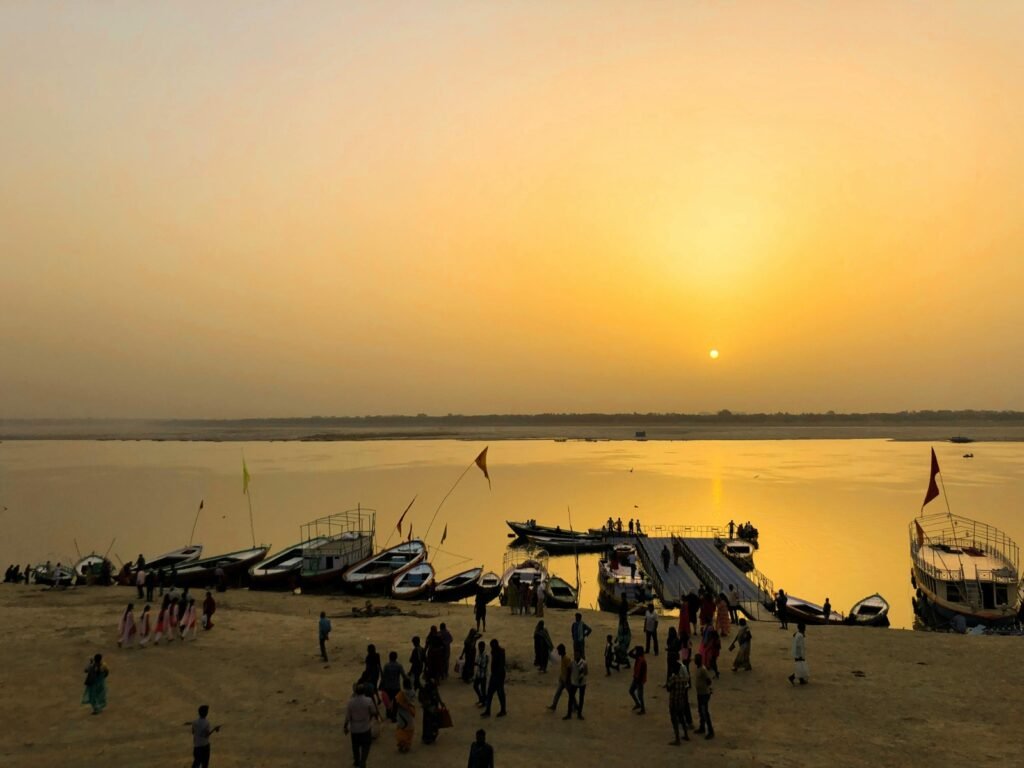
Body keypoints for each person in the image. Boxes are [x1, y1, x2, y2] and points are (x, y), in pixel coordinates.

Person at [344, 683, 379, 766]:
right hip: (365, 728)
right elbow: (374, 712)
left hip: (354, 729)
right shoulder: (368, 700)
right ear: (364, 691)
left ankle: (357, 761)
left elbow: (348, 717)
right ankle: (363, 761)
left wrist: (345, 726)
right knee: (366, 746)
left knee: (355, 746)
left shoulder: (351, 702)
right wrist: (373, 717)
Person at [666, 659, 691, 744]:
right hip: (681, 701)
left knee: (674, 720)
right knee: (682, 718)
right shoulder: (683, 679)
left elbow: (668, 688)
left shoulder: (673, 679)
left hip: (674, 701)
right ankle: (686, 735)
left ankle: (677, 739)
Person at [481, 638, 506, 717]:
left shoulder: (499, 652)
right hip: (496, 674)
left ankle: (501, 710)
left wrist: (496, 675)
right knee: (492, 693)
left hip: (498, 675)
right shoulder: (497, 651)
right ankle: (490, 710)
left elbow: (501, 666)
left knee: (499, 693)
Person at [381, 651, 408, 720]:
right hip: (396, 686)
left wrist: (382, 685)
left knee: (388, 701)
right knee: (396, 702)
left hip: (388, 686)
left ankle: (388, 713)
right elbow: (403, 675)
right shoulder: (399, 666)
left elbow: (383, 676)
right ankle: (394, 715)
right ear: (396, 658)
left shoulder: (386, 666)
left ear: (389, 658)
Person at [693, 653, 714, 739]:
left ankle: (710, 731)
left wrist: (706, 688)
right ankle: (702, 727)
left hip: (704, 693)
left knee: (704, 712)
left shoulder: (702, 669)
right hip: (700, 693)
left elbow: (709, 680)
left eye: (696, 659)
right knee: (701, 711)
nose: (695, 661)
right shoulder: (699, 669)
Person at [419, 676, 444, 743]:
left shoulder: (426, 687)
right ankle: (431, 737)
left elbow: (436, 694)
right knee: (432, 723)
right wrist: (441, 703)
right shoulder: (430, 687)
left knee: (428, 723)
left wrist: (441, 703)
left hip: (429, 708)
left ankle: (428, 737)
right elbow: (436, 694)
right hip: (431, 708)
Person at [394, 679, 416, 753]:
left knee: (401, 730)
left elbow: (396, 703)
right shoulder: (413, 692)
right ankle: (407, 746)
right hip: (410, 713)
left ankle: (401, 745)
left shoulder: (401, 693)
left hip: (402, 714)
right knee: (409, 730)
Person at [565, 649, 587, 720]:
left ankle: (576, 714)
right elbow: (586, 672)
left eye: (576, 655)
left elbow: (586, 672)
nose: (575, 656)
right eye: (575, 655)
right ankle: (572, 714)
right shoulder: (579, 663)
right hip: (576, 682)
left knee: (578, 699)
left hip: (579, 682)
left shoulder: (581, 663)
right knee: (572, 698)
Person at [547, 643, 571, 710]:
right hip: (563, 679)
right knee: (558, 693)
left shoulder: (566, 659)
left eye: (559, 651)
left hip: (566, 680)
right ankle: (554, 705)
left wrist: (567, 679)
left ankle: (575, 706)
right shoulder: (564, 658)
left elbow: (569, 670)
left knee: (569, 694)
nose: (558, 652)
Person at [628, 646, 647, 714]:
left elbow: (641, 673)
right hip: (637, 679)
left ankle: (642, 708)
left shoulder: (641, 660)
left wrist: (634, 648)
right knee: (632, 692)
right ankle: (639, 705)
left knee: (639, 695)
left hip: (639, 680)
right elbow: (629, 654)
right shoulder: (640, 658)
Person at [473, 639, 489, 706]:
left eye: (481, 647)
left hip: (483, 674)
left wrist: (476, 664)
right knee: (475, 686)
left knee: (483, 689)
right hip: (479, 673)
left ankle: (483, 701)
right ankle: (481, 699)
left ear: (483, 647)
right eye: (479, 647)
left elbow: (484, 666)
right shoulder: (479, 653)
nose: (480, 648)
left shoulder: (485, 655)